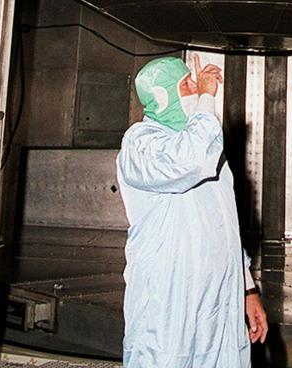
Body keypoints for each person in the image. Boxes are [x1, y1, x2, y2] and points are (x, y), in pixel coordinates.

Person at [116, 54, 268, 368]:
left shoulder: (209, 147)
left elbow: (224, 226)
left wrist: (247, 289)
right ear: (162, 96)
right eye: (188, 85)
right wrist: (207, 98)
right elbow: (188, 161)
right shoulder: (141, 144)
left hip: (217, 302)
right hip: (170, 304)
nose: (197, 91)